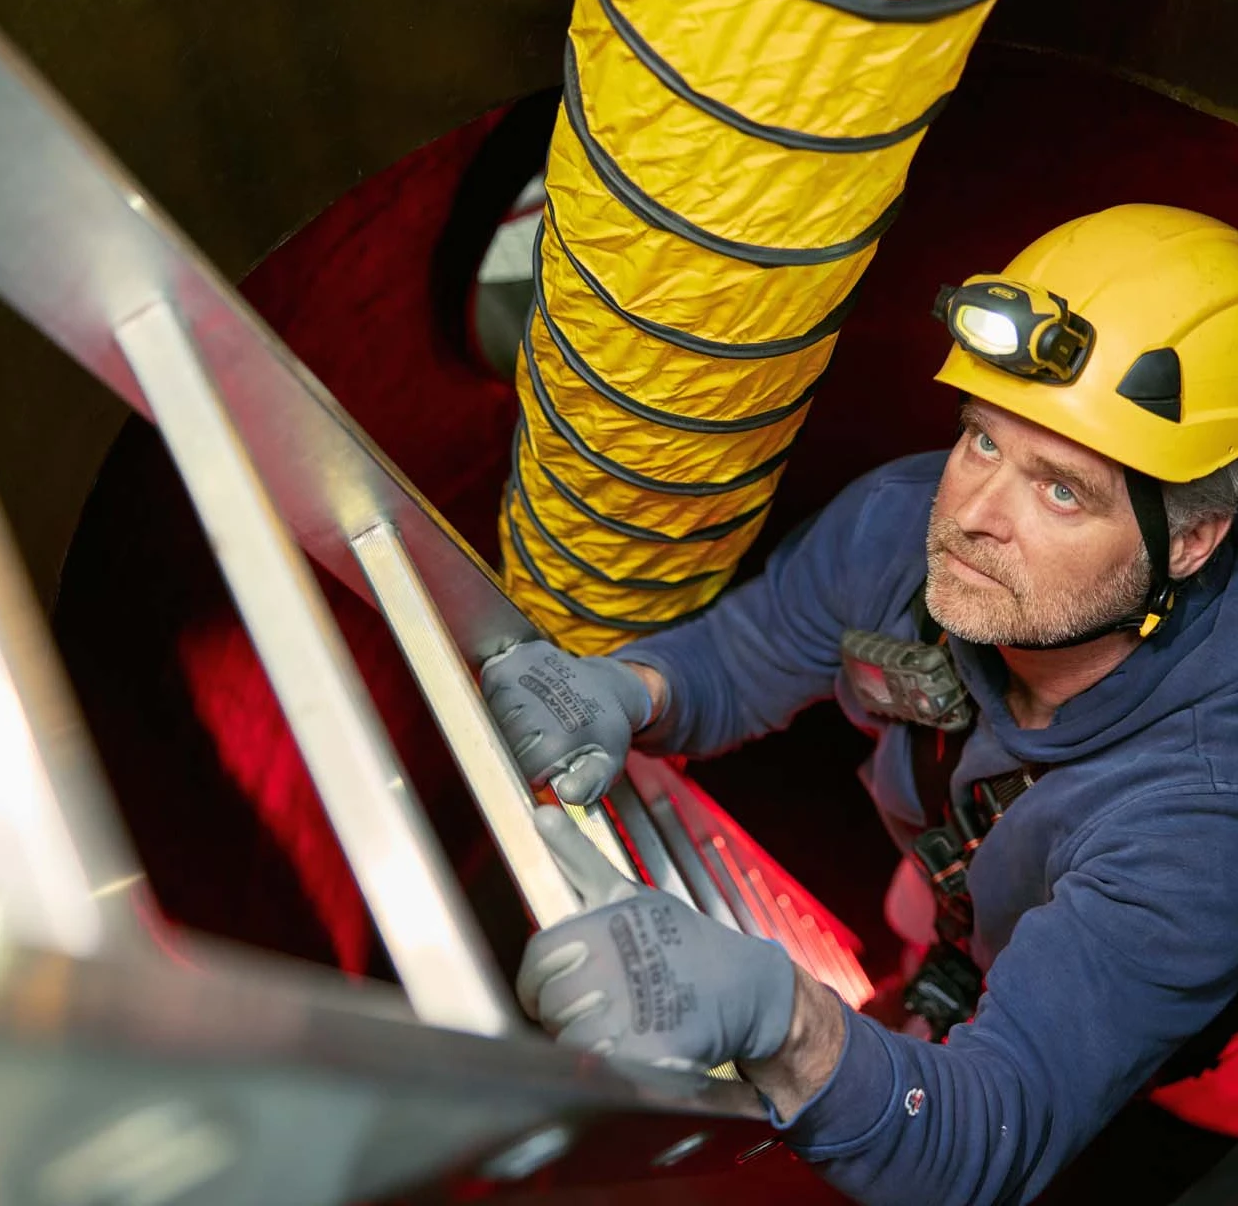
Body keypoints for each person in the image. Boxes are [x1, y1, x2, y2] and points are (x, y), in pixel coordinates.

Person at [481, 204, 1238, 1204]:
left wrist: (782, 1016)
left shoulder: (1199, 818)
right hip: (958, 900)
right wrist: (631, 685)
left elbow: (985, 1133)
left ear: (1187, 542)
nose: (970, 514)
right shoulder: (900, 526)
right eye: (979, 438)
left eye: (1060, 490)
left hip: (1143, 1022)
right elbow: (748, 650)